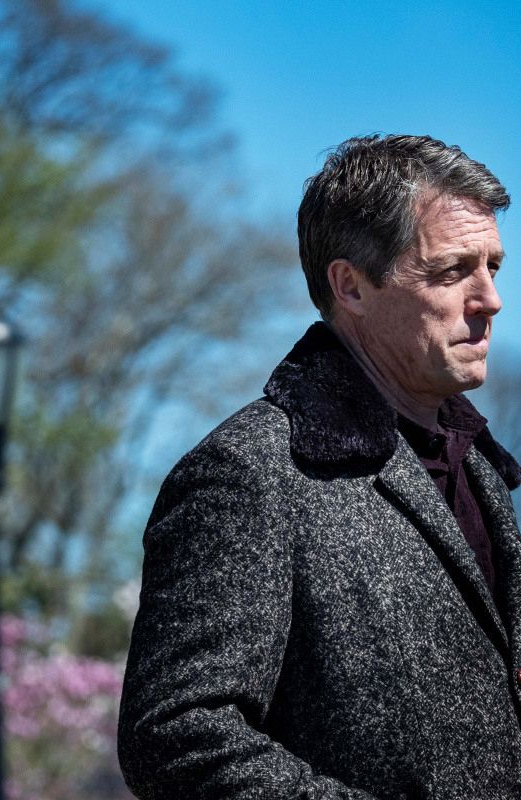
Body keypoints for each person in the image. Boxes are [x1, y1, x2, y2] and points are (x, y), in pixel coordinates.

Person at [117, 134, 521, 799]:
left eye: (493, 267)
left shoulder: (478, 467)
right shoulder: (249, 472)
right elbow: (174, 736)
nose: (490, 299)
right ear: (350, 286)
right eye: (452, 271)